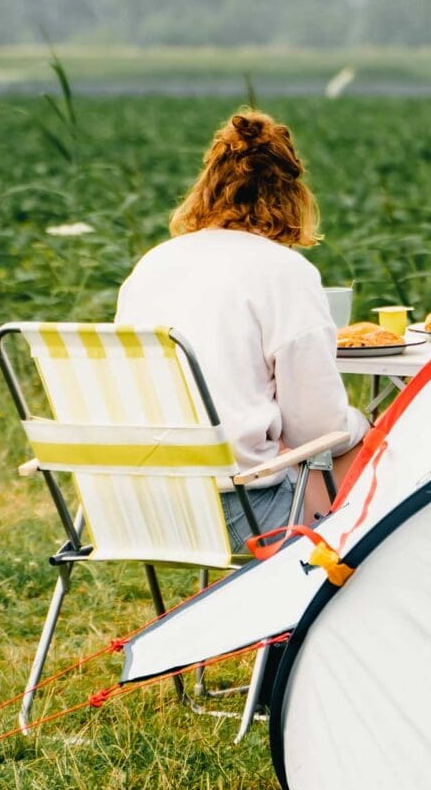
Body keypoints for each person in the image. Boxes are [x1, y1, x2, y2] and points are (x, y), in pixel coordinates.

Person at [114, 110, 369, 549]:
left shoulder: (152, 264)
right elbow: (316, 429)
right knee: (366, 449)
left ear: (206, 186)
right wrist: (363, 423)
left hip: (130, 507)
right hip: (238, 515)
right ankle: (328, 606)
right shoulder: (285, 272)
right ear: (292, 195)